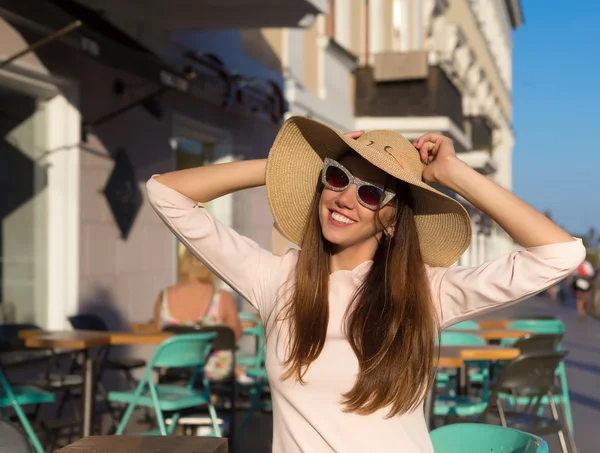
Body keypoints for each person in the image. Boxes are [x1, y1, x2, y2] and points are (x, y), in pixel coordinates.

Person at [147, 117, 585, 453]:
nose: (345, 198)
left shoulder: (425, 294)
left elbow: (561, 254)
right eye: (337, 178)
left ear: (393, 219)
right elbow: (167, 194)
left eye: (371, 193)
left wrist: (453, 174)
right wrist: (290, 167)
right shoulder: (277, 279)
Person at [153, 248, 242, 381]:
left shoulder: (164, 297)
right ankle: (210, 397)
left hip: (176, 369)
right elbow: (235, 334)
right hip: (214, 371)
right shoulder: (223, 298)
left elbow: (160, 335)